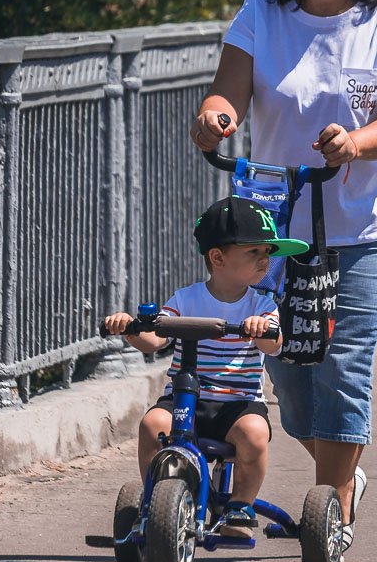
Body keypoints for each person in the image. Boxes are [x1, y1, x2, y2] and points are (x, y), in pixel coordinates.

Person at [190, 0, 377, 553]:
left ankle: (330, 512)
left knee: (343, 359)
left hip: (366, 224)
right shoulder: (263, 12)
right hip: (276, 230)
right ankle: (345, 477)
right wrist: (214, 119)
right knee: (291, 373)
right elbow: (227, 95)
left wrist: (354, 142)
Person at [102, 196, 309, 538]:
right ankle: (156, 501)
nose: (265, 261)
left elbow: (274, 343)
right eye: (254, 252)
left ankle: (240, 506)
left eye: (267, 253)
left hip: (237, 403)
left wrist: (261, 330)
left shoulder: (261, 304)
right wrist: (130, 330)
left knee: (255, 435)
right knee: (153, 423)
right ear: (218, 257)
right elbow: (156, 339)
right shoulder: (186, 299)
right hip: (185, 401)